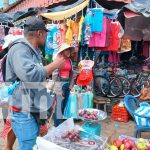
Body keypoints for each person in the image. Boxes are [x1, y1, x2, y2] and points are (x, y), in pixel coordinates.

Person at [5, 17, 65, 150]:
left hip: (32, 110)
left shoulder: (33, 52)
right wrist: (55, 65)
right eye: (45, 34)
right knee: (28, 146)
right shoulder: (20, 49)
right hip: (23, 112)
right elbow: (30, 75)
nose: (46, 38)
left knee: (33, 145)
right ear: (39, 33)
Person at [52, 43, 75, 127]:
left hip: (67, 84)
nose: (68, 51)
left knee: (64, 104)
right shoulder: (58, 59)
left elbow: (72, 73)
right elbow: (54, 75)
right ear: (62, 51)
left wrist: (71, 84)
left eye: (69, 49)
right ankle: (56, 125)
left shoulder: (69, 60)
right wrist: (58, 88)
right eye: (67, 50)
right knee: (59, 105)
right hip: (60, 83)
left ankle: (60, 124)